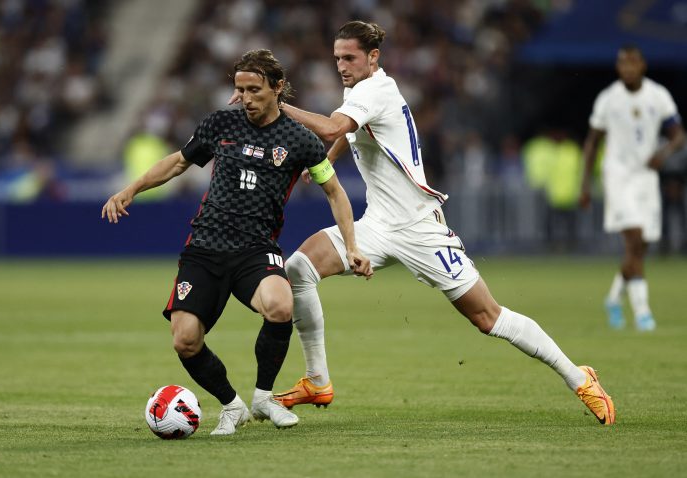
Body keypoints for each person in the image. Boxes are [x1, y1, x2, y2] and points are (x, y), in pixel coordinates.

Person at [231, 21, 615, 425]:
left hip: (419, 227)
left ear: (373, 57)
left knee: (488, 317)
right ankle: (317, 380)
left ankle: (579, 377)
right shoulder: (359, 89)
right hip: (378, 224)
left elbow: (332, 126)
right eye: (337, 58)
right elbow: (350, 131)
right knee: (298, 267)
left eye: (349, 58)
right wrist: (332, 157)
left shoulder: (375, 89)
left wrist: (278, 104)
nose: (342, 66)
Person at [102, 49, 372, 436]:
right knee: (185, 340)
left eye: (255, 89)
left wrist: (352, 247)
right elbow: (178, 161)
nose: (246, 98)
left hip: (255, 249)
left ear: (278, 89)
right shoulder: (220, 123)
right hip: (206, 247)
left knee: (280, 305)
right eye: (240, 89)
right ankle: (232, 406)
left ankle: (264, 397)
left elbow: (335, 192)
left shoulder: (301, 141)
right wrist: (131, 189)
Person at [580, 46, 685, 331]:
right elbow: (592, 142)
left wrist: (662, 153)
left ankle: (613, 298)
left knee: (641, 248)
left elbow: (679, 135)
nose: (627, 68)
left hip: (646, 178)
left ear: (642, 65)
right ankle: (643, 313)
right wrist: (585, 183)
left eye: (632, 63)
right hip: (618, 176)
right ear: (618, 68)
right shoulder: (608, 99)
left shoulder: (658, 95)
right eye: (622, 64)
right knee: (634, 239)